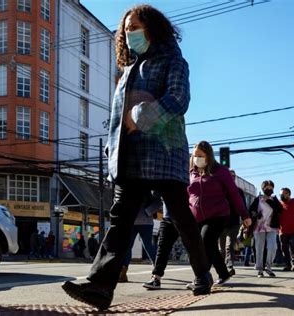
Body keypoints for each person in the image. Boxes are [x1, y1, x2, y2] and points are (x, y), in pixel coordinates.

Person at [61, 5, 212, 310]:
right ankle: (100, 286)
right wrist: (111, 147)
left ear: (152, 28)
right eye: (126, 30)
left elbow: (178, 99)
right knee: (121, 218)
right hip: (129, 156)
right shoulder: (129, 68)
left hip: (164, 153)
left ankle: (202, 274)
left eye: (135, 28)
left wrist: (141, 115)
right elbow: (117, 118)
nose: (130, 35)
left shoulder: (173, 60)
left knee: (181, 218)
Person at [187, 141, 251, 287]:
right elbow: (187, 194)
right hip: (197, 217)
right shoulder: (191, 172)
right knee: (210, 246)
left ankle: (202, 277)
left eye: (200, 156)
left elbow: (234, 194)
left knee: (205, 242)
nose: (197, 159)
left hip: (218, 214)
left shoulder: (221, 171)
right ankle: (223, 273)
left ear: (208, 156)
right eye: (195, 155)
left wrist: (245, 215)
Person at [118, 191, 162, 282]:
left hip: (146, 223)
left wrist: (147, 212)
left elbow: (158, 202)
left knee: (148, 246)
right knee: (127, 246)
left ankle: (157, 270)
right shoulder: (130, 187)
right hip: (131, 222)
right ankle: (123, 273)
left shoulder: (148, 188)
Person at [248, 180, 282, 278]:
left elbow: (279, 210)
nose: (269, 190)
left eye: (271, 188)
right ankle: (260, 269)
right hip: (259, 227)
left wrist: (268, 200)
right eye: (267, 188)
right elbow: (250, 210)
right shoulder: (258, 199)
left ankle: (268, 266)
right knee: (259, 248)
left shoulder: (274, 199)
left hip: (272, 226)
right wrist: (255, 214)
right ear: (263, 189)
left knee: (273, 247)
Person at [218, 169, 246, 277]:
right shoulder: (219, 190)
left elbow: (243, 207)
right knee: (221, 249)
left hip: (234, 223)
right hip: (221, 223)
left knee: (229, 246)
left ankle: (229, 267)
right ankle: (222, 269)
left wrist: (245, 219)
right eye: (229, 176)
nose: (232, 178)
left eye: (233, 176)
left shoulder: (239, 191)